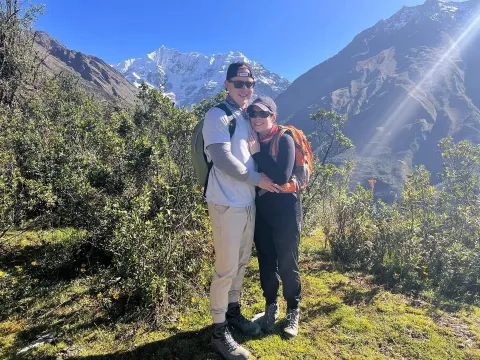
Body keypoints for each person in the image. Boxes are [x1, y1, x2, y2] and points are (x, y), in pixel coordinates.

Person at [202, 62, 282, 360]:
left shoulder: (246, 117)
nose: (245, 89)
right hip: (225, 202)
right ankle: (219, 330)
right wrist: (256, 179)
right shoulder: (217, 115)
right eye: (239, 83)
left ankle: (233, 312)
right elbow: (222, 159)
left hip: (246, 202)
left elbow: (251, 154)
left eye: (249, 84)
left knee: (241, 262)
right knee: (225, 268)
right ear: (226, 84)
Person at [247, 96, 302, 338]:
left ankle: (293, 310)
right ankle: (271, 306)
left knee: (288, 262)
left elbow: (282, 176)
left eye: (263, 114)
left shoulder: (285, 138)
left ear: (273, 117)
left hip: (286, 210)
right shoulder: (252, 139)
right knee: (266, 262)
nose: (257, 118)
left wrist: (258, 154)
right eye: (253, 113)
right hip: (262, 210)